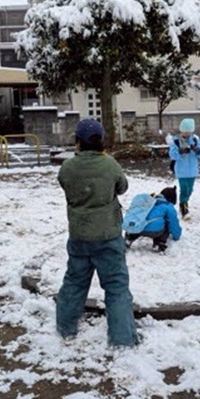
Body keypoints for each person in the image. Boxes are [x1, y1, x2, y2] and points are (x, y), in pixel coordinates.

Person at [55, 118, 139, 348]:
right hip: (108, 236)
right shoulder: (109, 164)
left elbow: (64, 183)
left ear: (78, 141)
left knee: (74, 282)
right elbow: (122, 187)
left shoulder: (68, 167)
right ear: (100, 140)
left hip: (79, 235)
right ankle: (122, 339)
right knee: (116, 287)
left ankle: (65, 328)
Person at [123, 186, 182, 252]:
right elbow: (174, 224)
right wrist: (177, 236)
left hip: (138, 228)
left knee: (139, 219)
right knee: (167, 222)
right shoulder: (168, 206)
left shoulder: (148, 201)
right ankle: (159, 242)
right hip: (155, 231)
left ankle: (129, 237)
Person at [168, 118, 200, 218]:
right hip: (181, 171)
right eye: (185, 131)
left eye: (189, 131)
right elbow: (172, 155)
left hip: (192, 171)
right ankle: (184, 206)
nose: (187, 134)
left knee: (190, 190)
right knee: (184, 189)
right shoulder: (176, 141)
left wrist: (198, 151)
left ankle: (184, 202)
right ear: (181, 130)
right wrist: (180, 152)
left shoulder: (195, 140)